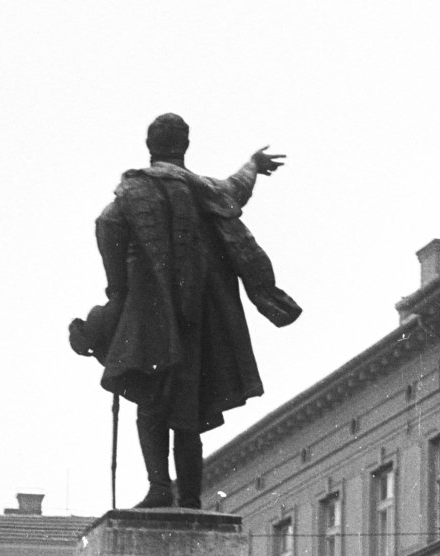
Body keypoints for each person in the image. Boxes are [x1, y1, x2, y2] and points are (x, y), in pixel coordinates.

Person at [71, 113, 300, 509]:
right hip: (199, 319)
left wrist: (117, 290)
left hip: (148, 317)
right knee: (188, 407)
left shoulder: (130, 192)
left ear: (149, 145)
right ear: (185, 146)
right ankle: (190, 496)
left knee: (151, 402)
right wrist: (253, 165)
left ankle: (160, 486)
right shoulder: (203, 189)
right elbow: (235, 189)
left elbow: (105, 226)